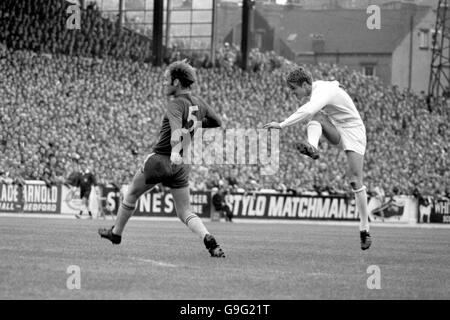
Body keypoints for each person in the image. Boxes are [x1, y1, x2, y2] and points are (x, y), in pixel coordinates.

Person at [98, 60, 225, 258]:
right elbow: (217, 122)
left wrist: (174, 149)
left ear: (176, 81)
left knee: (131, 194)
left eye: (167, 80)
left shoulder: (175, 104)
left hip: (162, 159)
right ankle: (207, 238)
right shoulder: (199, 102)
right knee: (184, 211)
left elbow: (175, 127)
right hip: (182, 165)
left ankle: (116, 233)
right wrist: (197, 123)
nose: (165, 84)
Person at [263, 66, 372, 250]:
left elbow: (307, 109)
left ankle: (364, 229)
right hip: (337, 130)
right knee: (317, 117)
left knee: (355, 181)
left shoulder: (322, 91)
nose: (293, 93)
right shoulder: (321, 88)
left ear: (305, 84)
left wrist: (281, 125)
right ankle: (312, 147)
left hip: (354, 131)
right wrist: (337, 84)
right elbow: (331, 84)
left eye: (294, 89)